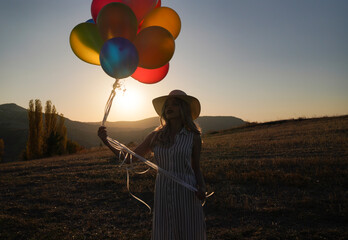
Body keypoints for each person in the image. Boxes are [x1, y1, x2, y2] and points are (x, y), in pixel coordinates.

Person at [98, 89, 207, 240]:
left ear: (183, 109)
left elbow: (196, 168)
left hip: (187, 192)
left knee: (189, 232)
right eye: (167, 105)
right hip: (163, 191)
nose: (169, 107)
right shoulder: (155, 136)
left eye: (175, 104)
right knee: (165, 233)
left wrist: (202, 187)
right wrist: (107, 142)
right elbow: (130, 158)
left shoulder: (193, 137)